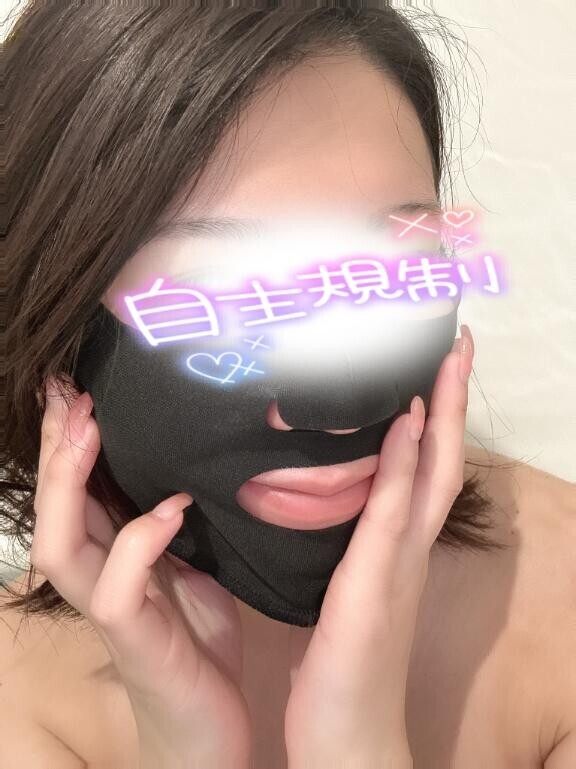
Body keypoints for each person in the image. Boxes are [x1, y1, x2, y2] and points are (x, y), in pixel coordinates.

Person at [2, 4, 575, 768]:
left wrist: (358, 745)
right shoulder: (18, 696)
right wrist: (187, 751)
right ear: (57, 315)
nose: (340, 410)